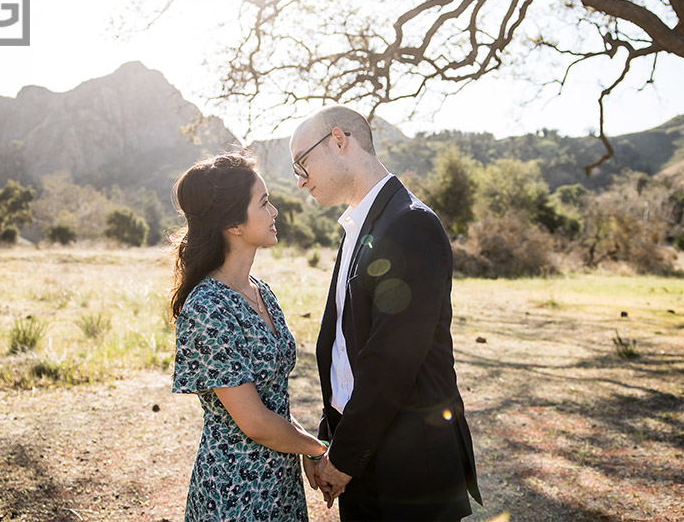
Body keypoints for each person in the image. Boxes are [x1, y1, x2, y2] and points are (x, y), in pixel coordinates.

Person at [290, 106, 482, 521]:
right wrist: (330, 439)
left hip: (410, 466)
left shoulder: (409, 224)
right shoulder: (358, 226)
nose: (300, 179)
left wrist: (342, 458)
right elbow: (346, 349)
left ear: (339, 141)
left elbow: (392, 361)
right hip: (363, 455)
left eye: (302, 163)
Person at [169, 153, 328, 521]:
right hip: (235, 491)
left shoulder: (261, 292)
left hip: (278, 482)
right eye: (264, 203)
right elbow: (255, 422)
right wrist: (316, 450)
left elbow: (273, 402)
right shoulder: (208, 308)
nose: (274, 212)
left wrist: (303, 447)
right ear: (233, 224)